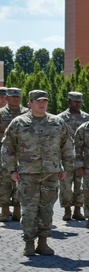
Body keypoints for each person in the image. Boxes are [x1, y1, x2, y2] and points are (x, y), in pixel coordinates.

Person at [2, 90, 74, 256]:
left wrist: (66, 168)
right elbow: (7, 148)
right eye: (38, 101)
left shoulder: (57, 123)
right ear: (30, 103)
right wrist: (12, 169)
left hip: (51, 173)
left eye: (45, 101)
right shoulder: (18, 123)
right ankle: (28, 242)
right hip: (28, 174)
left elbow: (67, 147)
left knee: (47, 209)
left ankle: (43, 242)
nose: (42, 104)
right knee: (29, 210)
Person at [56, 91, 89, 221]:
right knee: (65, 186)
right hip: (66, 158)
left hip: (82, 158)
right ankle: (67, 210)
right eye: (75, 101)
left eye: (79, 101)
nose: (77, 104)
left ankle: (78, 209)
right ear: (69, 101)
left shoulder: (87, 118)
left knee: (80, 186)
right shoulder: (60, 119)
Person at [0, 87, 29, 222]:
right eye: (12, 96)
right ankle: (5, 210)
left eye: (18, 96)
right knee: (5, 182)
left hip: (23, 153)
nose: (16, 99)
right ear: (6, 98)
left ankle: (17, 211)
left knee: (20, 182)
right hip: (5, 153)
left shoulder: (27, 113)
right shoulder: (1, 113)